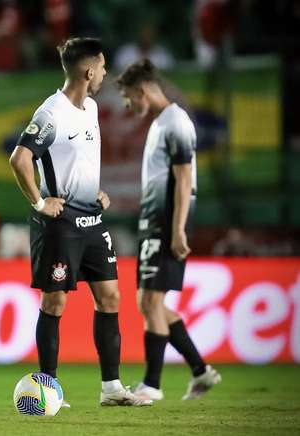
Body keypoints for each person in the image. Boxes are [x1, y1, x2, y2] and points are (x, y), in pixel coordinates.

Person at [8, 37, 151, 407]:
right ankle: (48, 389)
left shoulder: (88, 108)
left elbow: (78, 163)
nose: (105, 73)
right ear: (89, 71)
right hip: (60, 224)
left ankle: (112, 389)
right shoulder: (51, 112)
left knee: (110, 297)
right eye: (102, 67)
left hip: (92, 219)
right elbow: (20, 159)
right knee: (54, 303)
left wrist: (96, 192)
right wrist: (40, 202)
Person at [116, 59, 222, 401]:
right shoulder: (161, 122)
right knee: (149, 302)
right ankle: (200, 371)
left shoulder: (176, 122)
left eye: (130, 97)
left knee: (150, 300)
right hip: (154, 218)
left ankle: (152, 385)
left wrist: (178, 230)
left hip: (167, 219)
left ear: (144, 89)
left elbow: (185, 178)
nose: (129, 104)